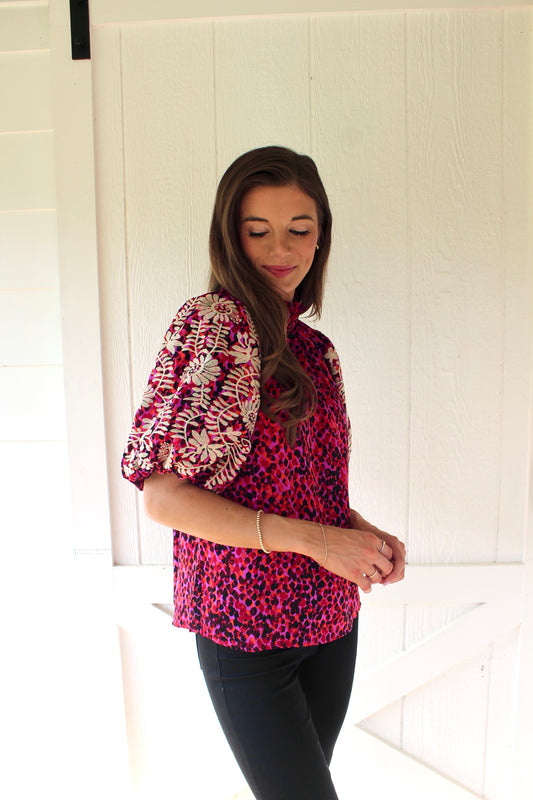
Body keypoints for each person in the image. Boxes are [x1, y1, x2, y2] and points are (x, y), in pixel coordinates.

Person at [121, 145, 406, 800]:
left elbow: (311, 490)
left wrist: (362, 536)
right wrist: (318, 541)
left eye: (299, 230)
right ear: (230, 235)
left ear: (320, 237)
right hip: (247, 629)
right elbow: (164, 498)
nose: (280, 249)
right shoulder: (213, 326)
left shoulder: (313, 348)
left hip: (329, 619)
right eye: (257, 231)